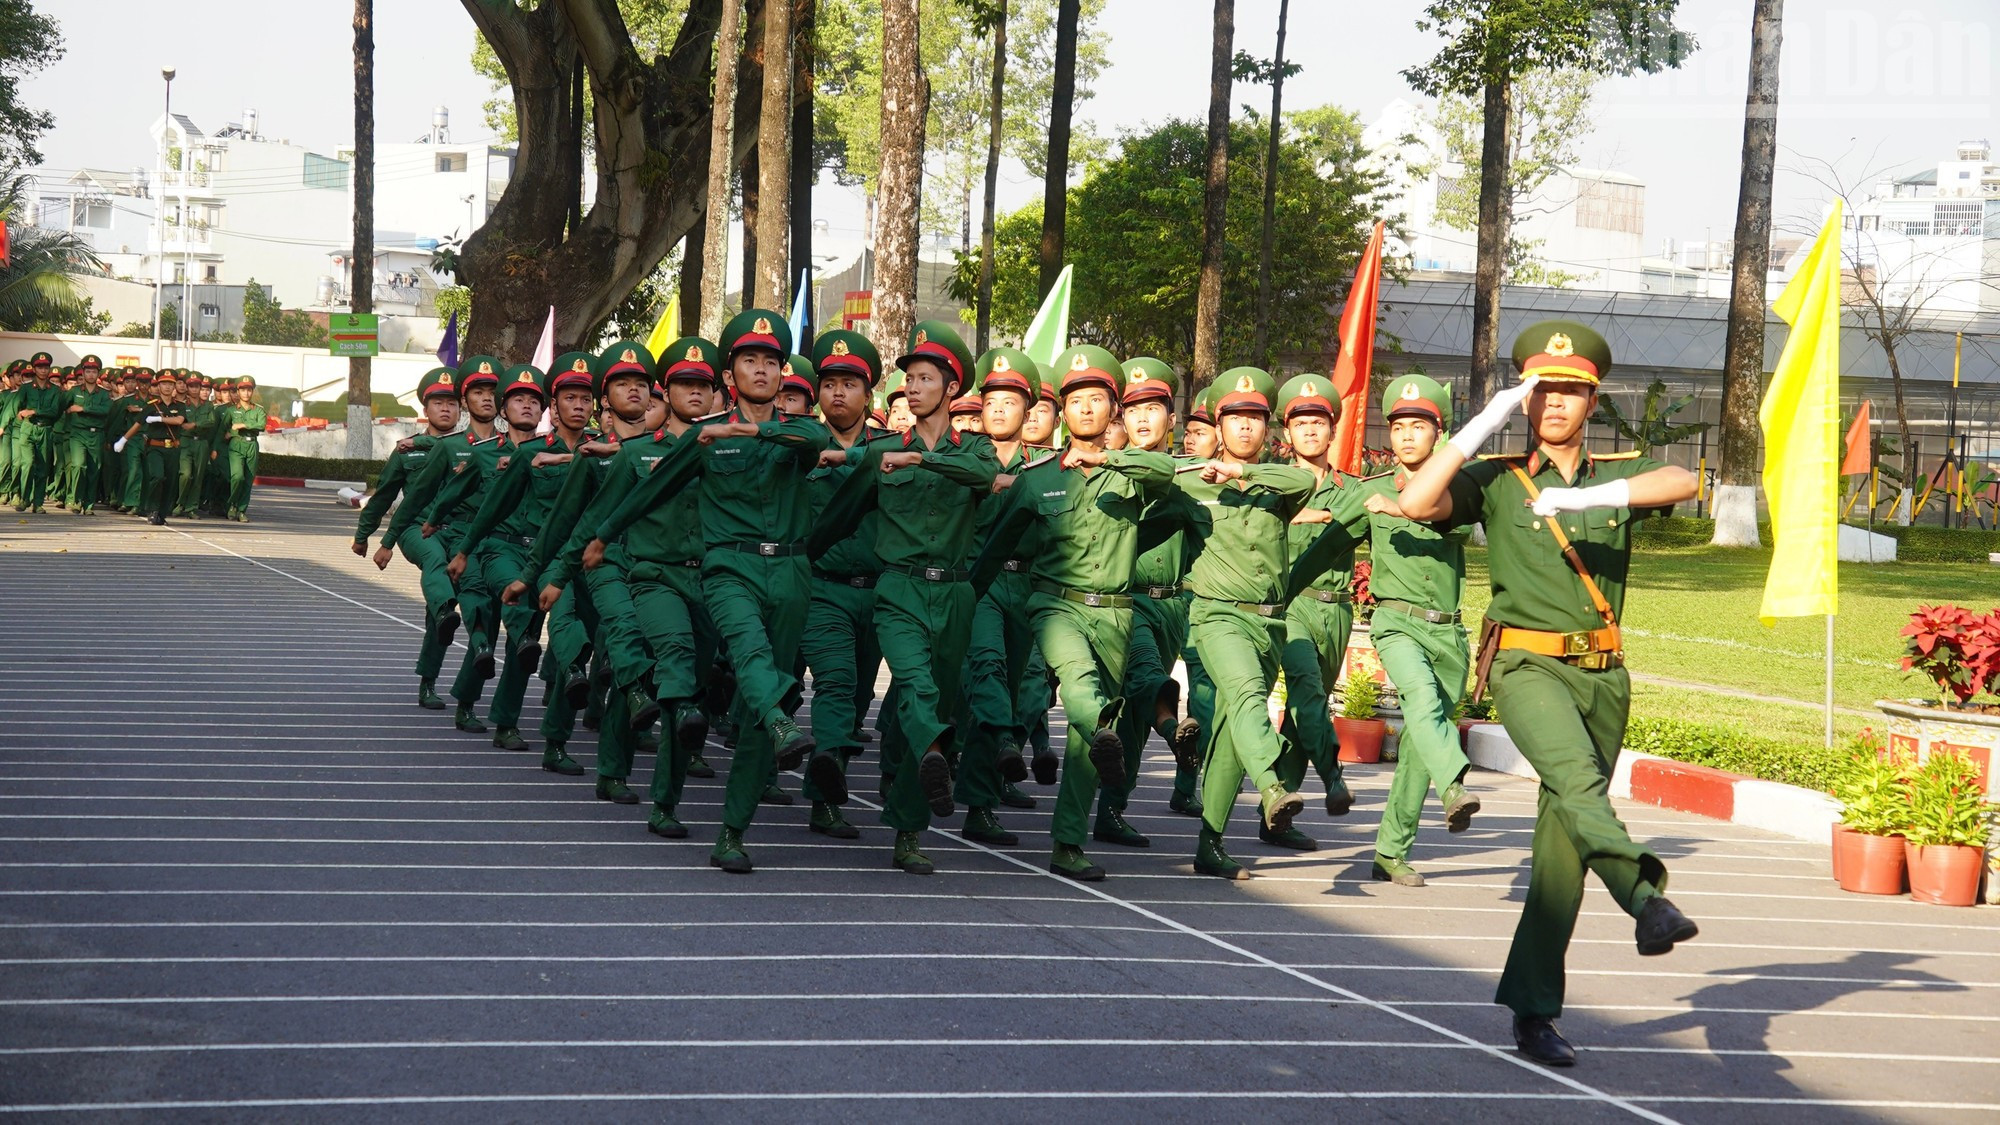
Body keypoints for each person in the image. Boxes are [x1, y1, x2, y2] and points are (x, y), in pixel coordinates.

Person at [1393, 319, 1700, 1067]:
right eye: (1539, 391)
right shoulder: (1496, 477)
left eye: (1568, 390)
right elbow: (1415, 500)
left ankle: (1532, 1011)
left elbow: (1685, 481)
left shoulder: (1615, 475)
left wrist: (1588, 500)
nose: (1553, 402)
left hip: (1605, 676)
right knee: (1574, 781)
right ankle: (1645, 897)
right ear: (1524, 401)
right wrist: (1482, 423)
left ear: (1591, 400)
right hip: (1526, 669)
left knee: (1562, 850)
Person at [583, 309, 828, 875]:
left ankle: (730, 829)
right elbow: (653, 488)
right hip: (726, 572)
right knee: (746, 660)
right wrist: (600, 538)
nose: (762, 371)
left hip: (791, 575)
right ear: (730, 373)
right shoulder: (699, 438)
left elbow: (814, 436)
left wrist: (750, 429)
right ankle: (773, 726)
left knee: (756, 697)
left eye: (772, 361)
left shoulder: (793, 433)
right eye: (749, 360)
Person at [972, 344, 1175, 881]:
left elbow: (1166, 474)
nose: (1087, 409)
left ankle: (1067, 843)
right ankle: (1102, 730)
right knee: (1084, 691)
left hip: (1116, 613)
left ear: (1115, 409)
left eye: (1097, 400)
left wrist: (1108, 458)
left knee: (1090, 740)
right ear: (1062, 413)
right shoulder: (1038, 478)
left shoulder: (1132, 474)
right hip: (1054, 605)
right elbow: (996, 546)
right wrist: (965, 599)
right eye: (1076, 401)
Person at [809, 320, 1000, 875]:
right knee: (915, 684)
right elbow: (840, 518)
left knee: (936, 701)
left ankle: (908, 832)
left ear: (950, 388)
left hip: (956, 592)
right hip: (900, 588)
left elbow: (982, 478)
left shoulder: (978, 451)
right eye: (908, 379)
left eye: (924, 378)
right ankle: (938, 753)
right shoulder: (881, 453)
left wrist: (921, 459)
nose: (912, 388)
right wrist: (804, 561)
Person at [1168, 368, 1317, 881]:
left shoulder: (1278, 482)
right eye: (1236, 418)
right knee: (1249, 694)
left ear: (1267, 429)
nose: (1246, 428)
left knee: (1233, 736)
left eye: (1255, 418)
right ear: (1219, 423)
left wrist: (1240, 476)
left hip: (1270, 625)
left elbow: (1306, 479)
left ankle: (1210, 845)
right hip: (1217, 616)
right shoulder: (1187, 480)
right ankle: (1274, 787)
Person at [1095, 356, 1203, 848]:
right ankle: (1169, 722)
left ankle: (1112, 809)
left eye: (1153, 407)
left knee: (1132, 718)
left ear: (1172, 417)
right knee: (1143, 685)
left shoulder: (1191, 475)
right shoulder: (1107, 475)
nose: (1141, 418)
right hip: (1123, 601)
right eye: (1132, 408)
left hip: (1174, 606)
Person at [443, 363, 568, 754]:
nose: (527, 406)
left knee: (522, 637)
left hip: (536, 552)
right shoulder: (485, 455)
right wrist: (434, 528)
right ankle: (466, 702)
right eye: (518, 399)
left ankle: (506, 722)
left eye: (535, 400)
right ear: (503, 409)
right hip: (493, 547)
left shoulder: (557, 453)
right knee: (496, 624)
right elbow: (456, 497)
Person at [796, 329, 892, 842]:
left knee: (857, 698)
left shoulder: (889, 451)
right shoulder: (800, 443)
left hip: (877, 591)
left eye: (849, 383)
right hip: (820, 588)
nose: (838, 392)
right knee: (834, 681)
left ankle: (826, 774)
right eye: (829, 383)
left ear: (868, 395)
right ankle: (828, 786)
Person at [383, 355, 509, 734]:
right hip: (444, 533)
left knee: (486, 617)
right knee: (446, 615)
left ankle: (466, 700)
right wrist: (386, 540)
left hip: (492, 541)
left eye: (492, 393)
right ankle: (429, 680)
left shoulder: (512, 445)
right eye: (475, 393)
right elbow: (414, 497)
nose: (448, 408)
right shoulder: (434, 447)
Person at [951, 346, 1044, 846]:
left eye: (1011, 402)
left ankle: (979, 805)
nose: (1001, 410)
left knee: (1009, 686)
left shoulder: (1047, 466)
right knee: (986, 667)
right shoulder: (965, 457)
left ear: (1028, 412)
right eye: (992, 402)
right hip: (978, 579)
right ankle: (1007, 737)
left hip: (1026, 585)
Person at [1271, 374, 1363, 848]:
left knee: (1302, 713)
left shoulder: (1353, 489)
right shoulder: (1273, 488)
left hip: (1339, 612)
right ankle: (1332, 775)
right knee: (1307, 690)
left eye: (1318, 423)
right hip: (1292, 607)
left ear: (1332, 431)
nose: (1310, 431)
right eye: (1300, 423)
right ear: (1287, 434)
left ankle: (1278, 814)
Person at [355, 367, 464, 711]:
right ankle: (445, 610)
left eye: (451, 403)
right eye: (438, 403)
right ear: (425, 409)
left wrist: (428, 441)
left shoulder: (471, 448)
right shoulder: (406, 451)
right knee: (436, 565)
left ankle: (428, 682)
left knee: (439, 617)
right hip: (416, 529)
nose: (445, 409)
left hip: (458, 534)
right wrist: (364, 536)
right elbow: (384, 495)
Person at [117, 366, 187, 525]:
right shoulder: (151, 405)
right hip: (155, 447)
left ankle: (162, 514)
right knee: (157, 476)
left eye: (170, 384)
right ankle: (153, 509)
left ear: (174, 386)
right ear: (159, 385)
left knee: (169, 482)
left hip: (173, 449)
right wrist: (123, 440)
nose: (167, 387)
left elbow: (179, 420)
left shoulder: (180, 405)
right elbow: (137, 424)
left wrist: (160, 420)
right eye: (164, 384)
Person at [58, 355, 111, 515]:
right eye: (88, 371)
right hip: (77, 434)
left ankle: (88, 504)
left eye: (94, 371)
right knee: (79, 465)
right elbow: (60, 406)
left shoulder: (103, 394)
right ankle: (75, 500)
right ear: (83, 372)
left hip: (96, 435)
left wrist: (83, 408)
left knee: (95, 469)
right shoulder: (74, 391)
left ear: (98, 373)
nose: (90, 375)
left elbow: (105, 410)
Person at [12, 352, 64, 513]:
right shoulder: (26, 388)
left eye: (46, 367)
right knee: (27, 464)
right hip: (28, 429)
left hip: (45, 430)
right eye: (40, 367)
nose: (43, 370)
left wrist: (34, 411)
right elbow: (17, 407)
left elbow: (54, 411)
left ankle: (38, 502)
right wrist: (23, 414)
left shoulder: (55, 390)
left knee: (42, 468)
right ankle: (24, 499)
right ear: (34, 369)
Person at [221, 377, 267, 521]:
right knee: (238, 477)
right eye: (243, 390)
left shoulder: (258, 410)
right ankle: (232, 504)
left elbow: (261, 425)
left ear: (252, 391)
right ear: (238, 392)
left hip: (252, 445)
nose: (246, 393)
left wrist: (243, 425)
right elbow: (223, 430)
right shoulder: (231, 411)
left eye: (249, 390)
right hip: (236, 445)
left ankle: (241, 510)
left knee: (248, 480)